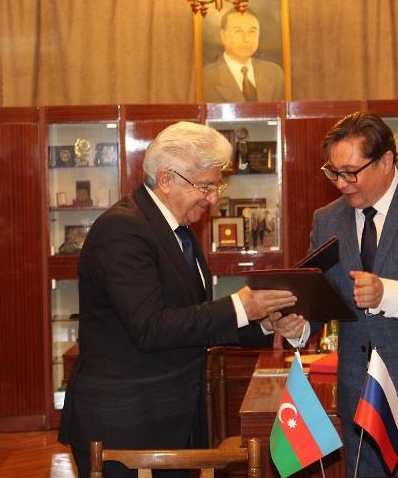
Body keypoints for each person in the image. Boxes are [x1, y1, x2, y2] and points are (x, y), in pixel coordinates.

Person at [58, 122, 296, 478]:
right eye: (205, 186)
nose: (213, 198)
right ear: (166, 179)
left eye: (216, 186)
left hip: (172, 420)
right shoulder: (122, 230)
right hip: (126, 429)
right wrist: (240, 307)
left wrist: (262, 323)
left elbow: (191, 320)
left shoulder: (178, 229)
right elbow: (150, 327)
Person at [273, 112, 398, 476]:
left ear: (386, 160)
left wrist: (389, 293)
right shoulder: (327, 219)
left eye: (351, 172)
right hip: (360, 399)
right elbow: (323, 294)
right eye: (334, 172)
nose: (341, 183)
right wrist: (300, 326)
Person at [202, 8, 284, 103]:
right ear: (223, 36)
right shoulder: (205, 78)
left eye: (252, 31)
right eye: (238, 31)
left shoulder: (274, 73)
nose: (246, 39)